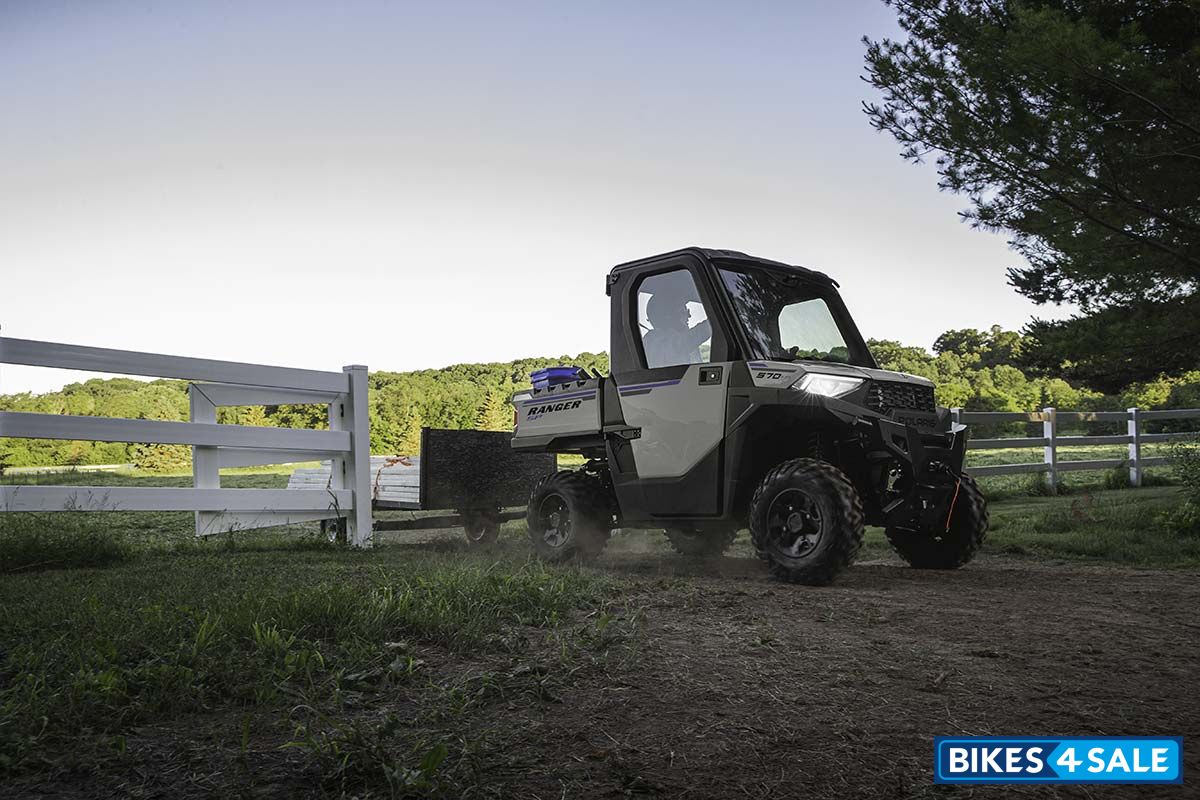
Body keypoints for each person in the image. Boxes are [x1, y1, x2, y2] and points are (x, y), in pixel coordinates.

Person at [641, 291, 711, 367]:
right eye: (683, 312)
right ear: (669, 316)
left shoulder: (681, 343)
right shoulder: (655, 341)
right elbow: (685, 341)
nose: (689, 316)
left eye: (688, 311)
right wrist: (715, 319)